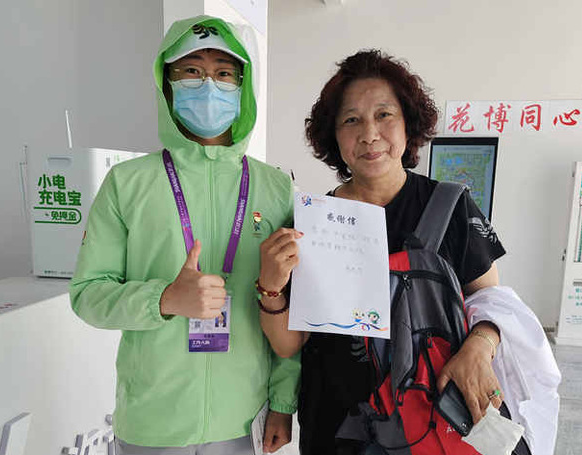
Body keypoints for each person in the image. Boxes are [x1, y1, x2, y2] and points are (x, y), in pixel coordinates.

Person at [257, 50, 519, 454]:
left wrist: (479, 346)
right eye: (351, 120)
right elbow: (290, 344)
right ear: (333, 135)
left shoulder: (450, 206)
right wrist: (271, 287)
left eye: (384, 115)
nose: (369, 134)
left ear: (408, 122)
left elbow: (492, 302)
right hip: (334, 428)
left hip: (430, 423)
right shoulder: (315, 221)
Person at [70, 15, 299, 455]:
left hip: (243, 417)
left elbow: (293, 303)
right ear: (167, 84)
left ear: (242, 86)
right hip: (153, 421)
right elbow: (87, 294)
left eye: (224, 73)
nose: (209, 85)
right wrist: (164, 299)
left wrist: (283, 402)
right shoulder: (128, 183)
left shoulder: (275, 187)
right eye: (191, 70)